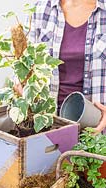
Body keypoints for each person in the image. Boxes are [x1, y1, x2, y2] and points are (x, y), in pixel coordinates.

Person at [15, 0, 106, 133]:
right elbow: (24, 65)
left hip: (98, 129)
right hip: (48, 128)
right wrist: (23, 86)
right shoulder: (39, 10)